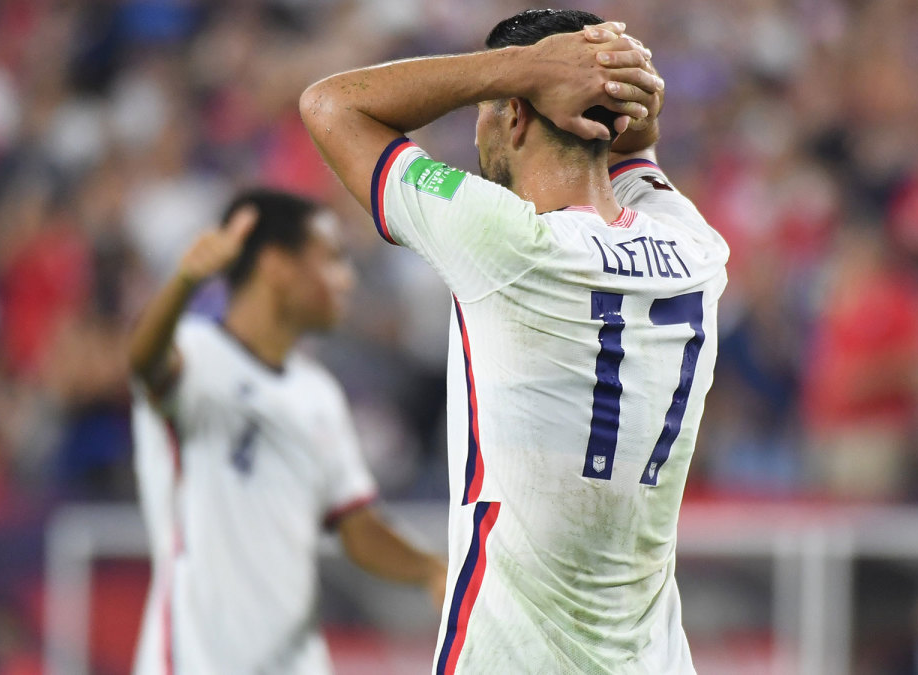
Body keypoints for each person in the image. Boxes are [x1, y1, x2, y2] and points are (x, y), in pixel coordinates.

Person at [301, 9, 728, 675]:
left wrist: (523, 69)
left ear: (515, 115)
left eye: (485, 110)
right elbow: (639, 152)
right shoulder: (695, 249)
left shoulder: (508, 244)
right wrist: (622, 92)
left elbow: (329, 104)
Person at [127, 189, 447, 674]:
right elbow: (145, 362)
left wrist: (431, 570)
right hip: (196, 659)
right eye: (332, 260)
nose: (347, 279)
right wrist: (184, 282)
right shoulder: (195, 355)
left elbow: (358, 529)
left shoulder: (319, 393)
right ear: (277, 264)